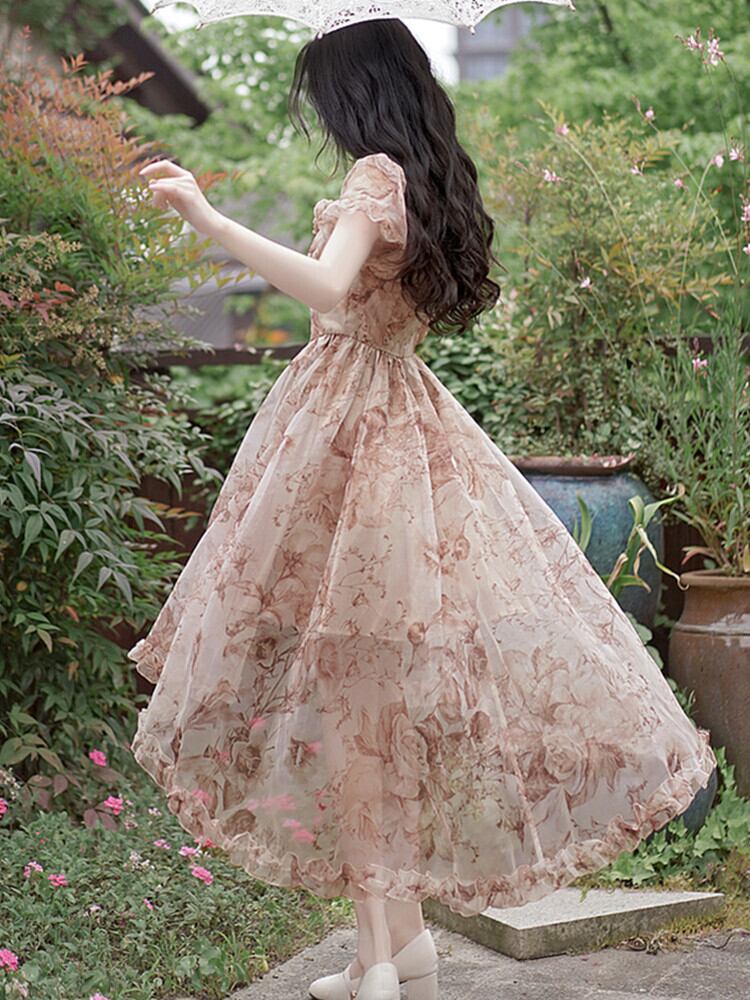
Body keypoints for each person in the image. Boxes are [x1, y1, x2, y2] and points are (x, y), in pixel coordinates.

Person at [130, 18, 717, 1000]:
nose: (318, 113)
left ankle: (385, 961)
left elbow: (325, 286)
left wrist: (209, 217)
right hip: (391, 425)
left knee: (360, 699)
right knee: (372, 698)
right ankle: (393, 950)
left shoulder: (374, 176)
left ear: (353, 90)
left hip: (351, 435)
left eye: (322, 92)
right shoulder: (421, 179)